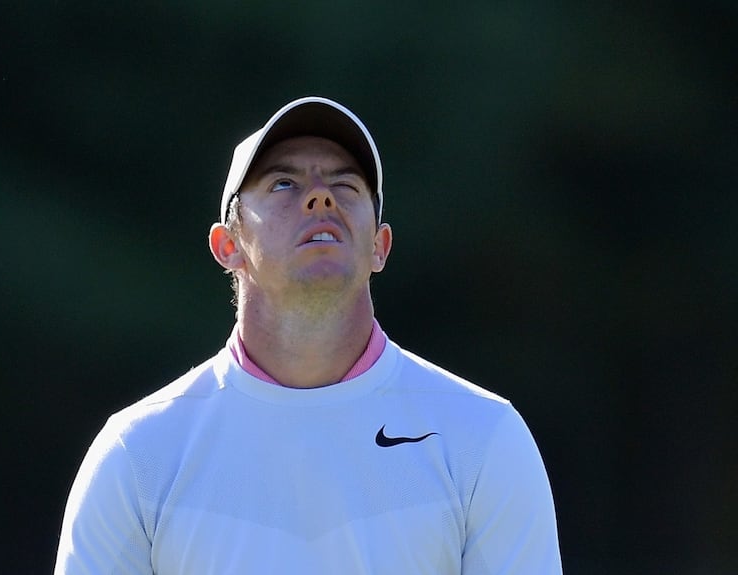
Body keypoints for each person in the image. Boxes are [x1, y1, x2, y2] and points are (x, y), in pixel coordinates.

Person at [54, 96, 563, 574]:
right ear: (227, 244)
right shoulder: (137, 454)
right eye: (283, 184)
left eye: (346, 185)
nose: (320, 196)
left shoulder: (483, 438)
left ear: (380, 246)